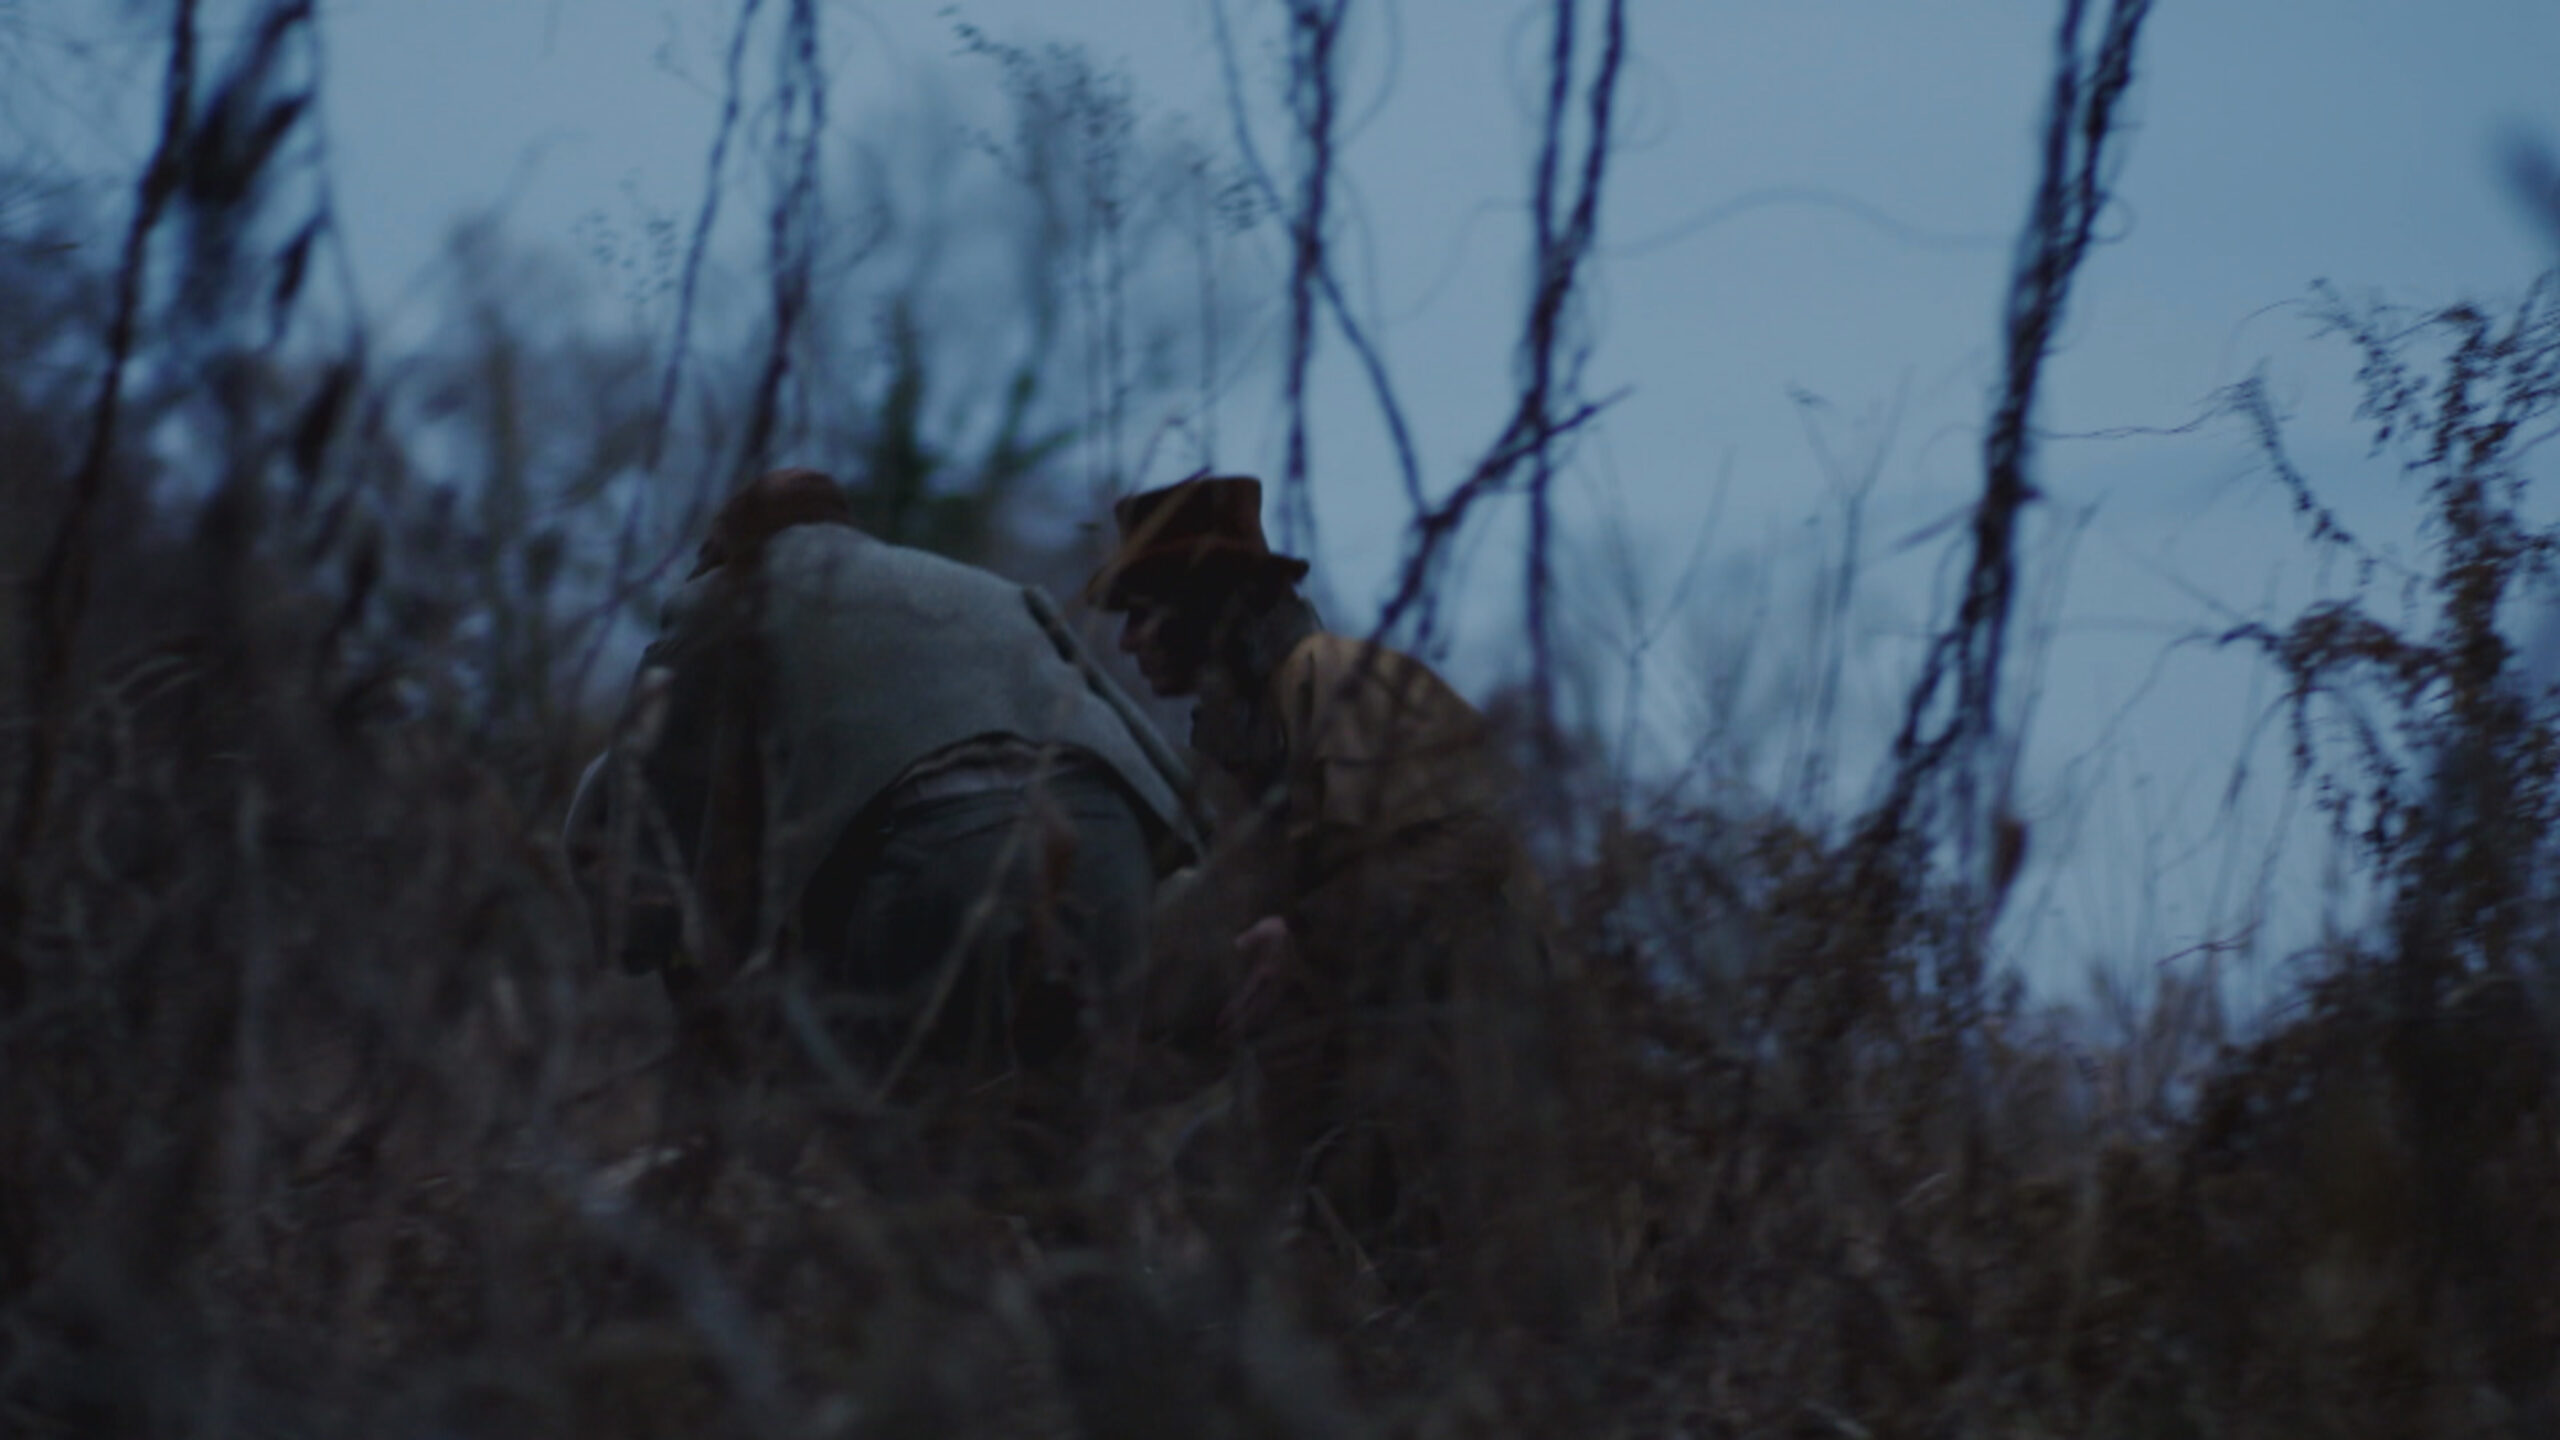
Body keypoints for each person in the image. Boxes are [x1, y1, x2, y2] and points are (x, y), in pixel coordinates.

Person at [1086, 473, 1588, 1323]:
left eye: (1143, 611)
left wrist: (1305, 935)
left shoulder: (1337, 679)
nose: (1128, 640)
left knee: (1514, 1305)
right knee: (1221, 1168)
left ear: (1209, 603)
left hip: (1464, 1049)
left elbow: (1464, 847)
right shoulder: (1243, 739)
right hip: (1365, 1062)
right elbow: (1235, 943)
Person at [565, 468, 1201, 1128]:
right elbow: (1127, 734)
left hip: (943, 856)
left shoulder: (727, 596)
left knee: (903, 1149)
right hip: (1106, 842)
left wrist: (644, 940)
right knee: (1072, 1137)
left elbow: (635, 795)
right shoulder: (982, 587)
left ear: (725, 552)